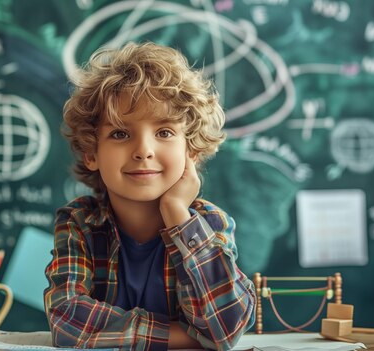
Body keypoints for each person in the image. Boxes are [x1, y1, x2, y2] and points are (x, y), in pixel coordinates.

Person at [44, 42, 255, 351]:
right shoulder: (79, 223)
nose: (144, 150)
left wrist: (176, 213)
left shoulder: (209, 224)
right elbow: (67, 324)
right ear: (92, 153)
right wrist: (185, 339)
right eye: (119, 134)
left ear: (191, 150)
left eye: (165, 132)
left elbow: (226, 328)